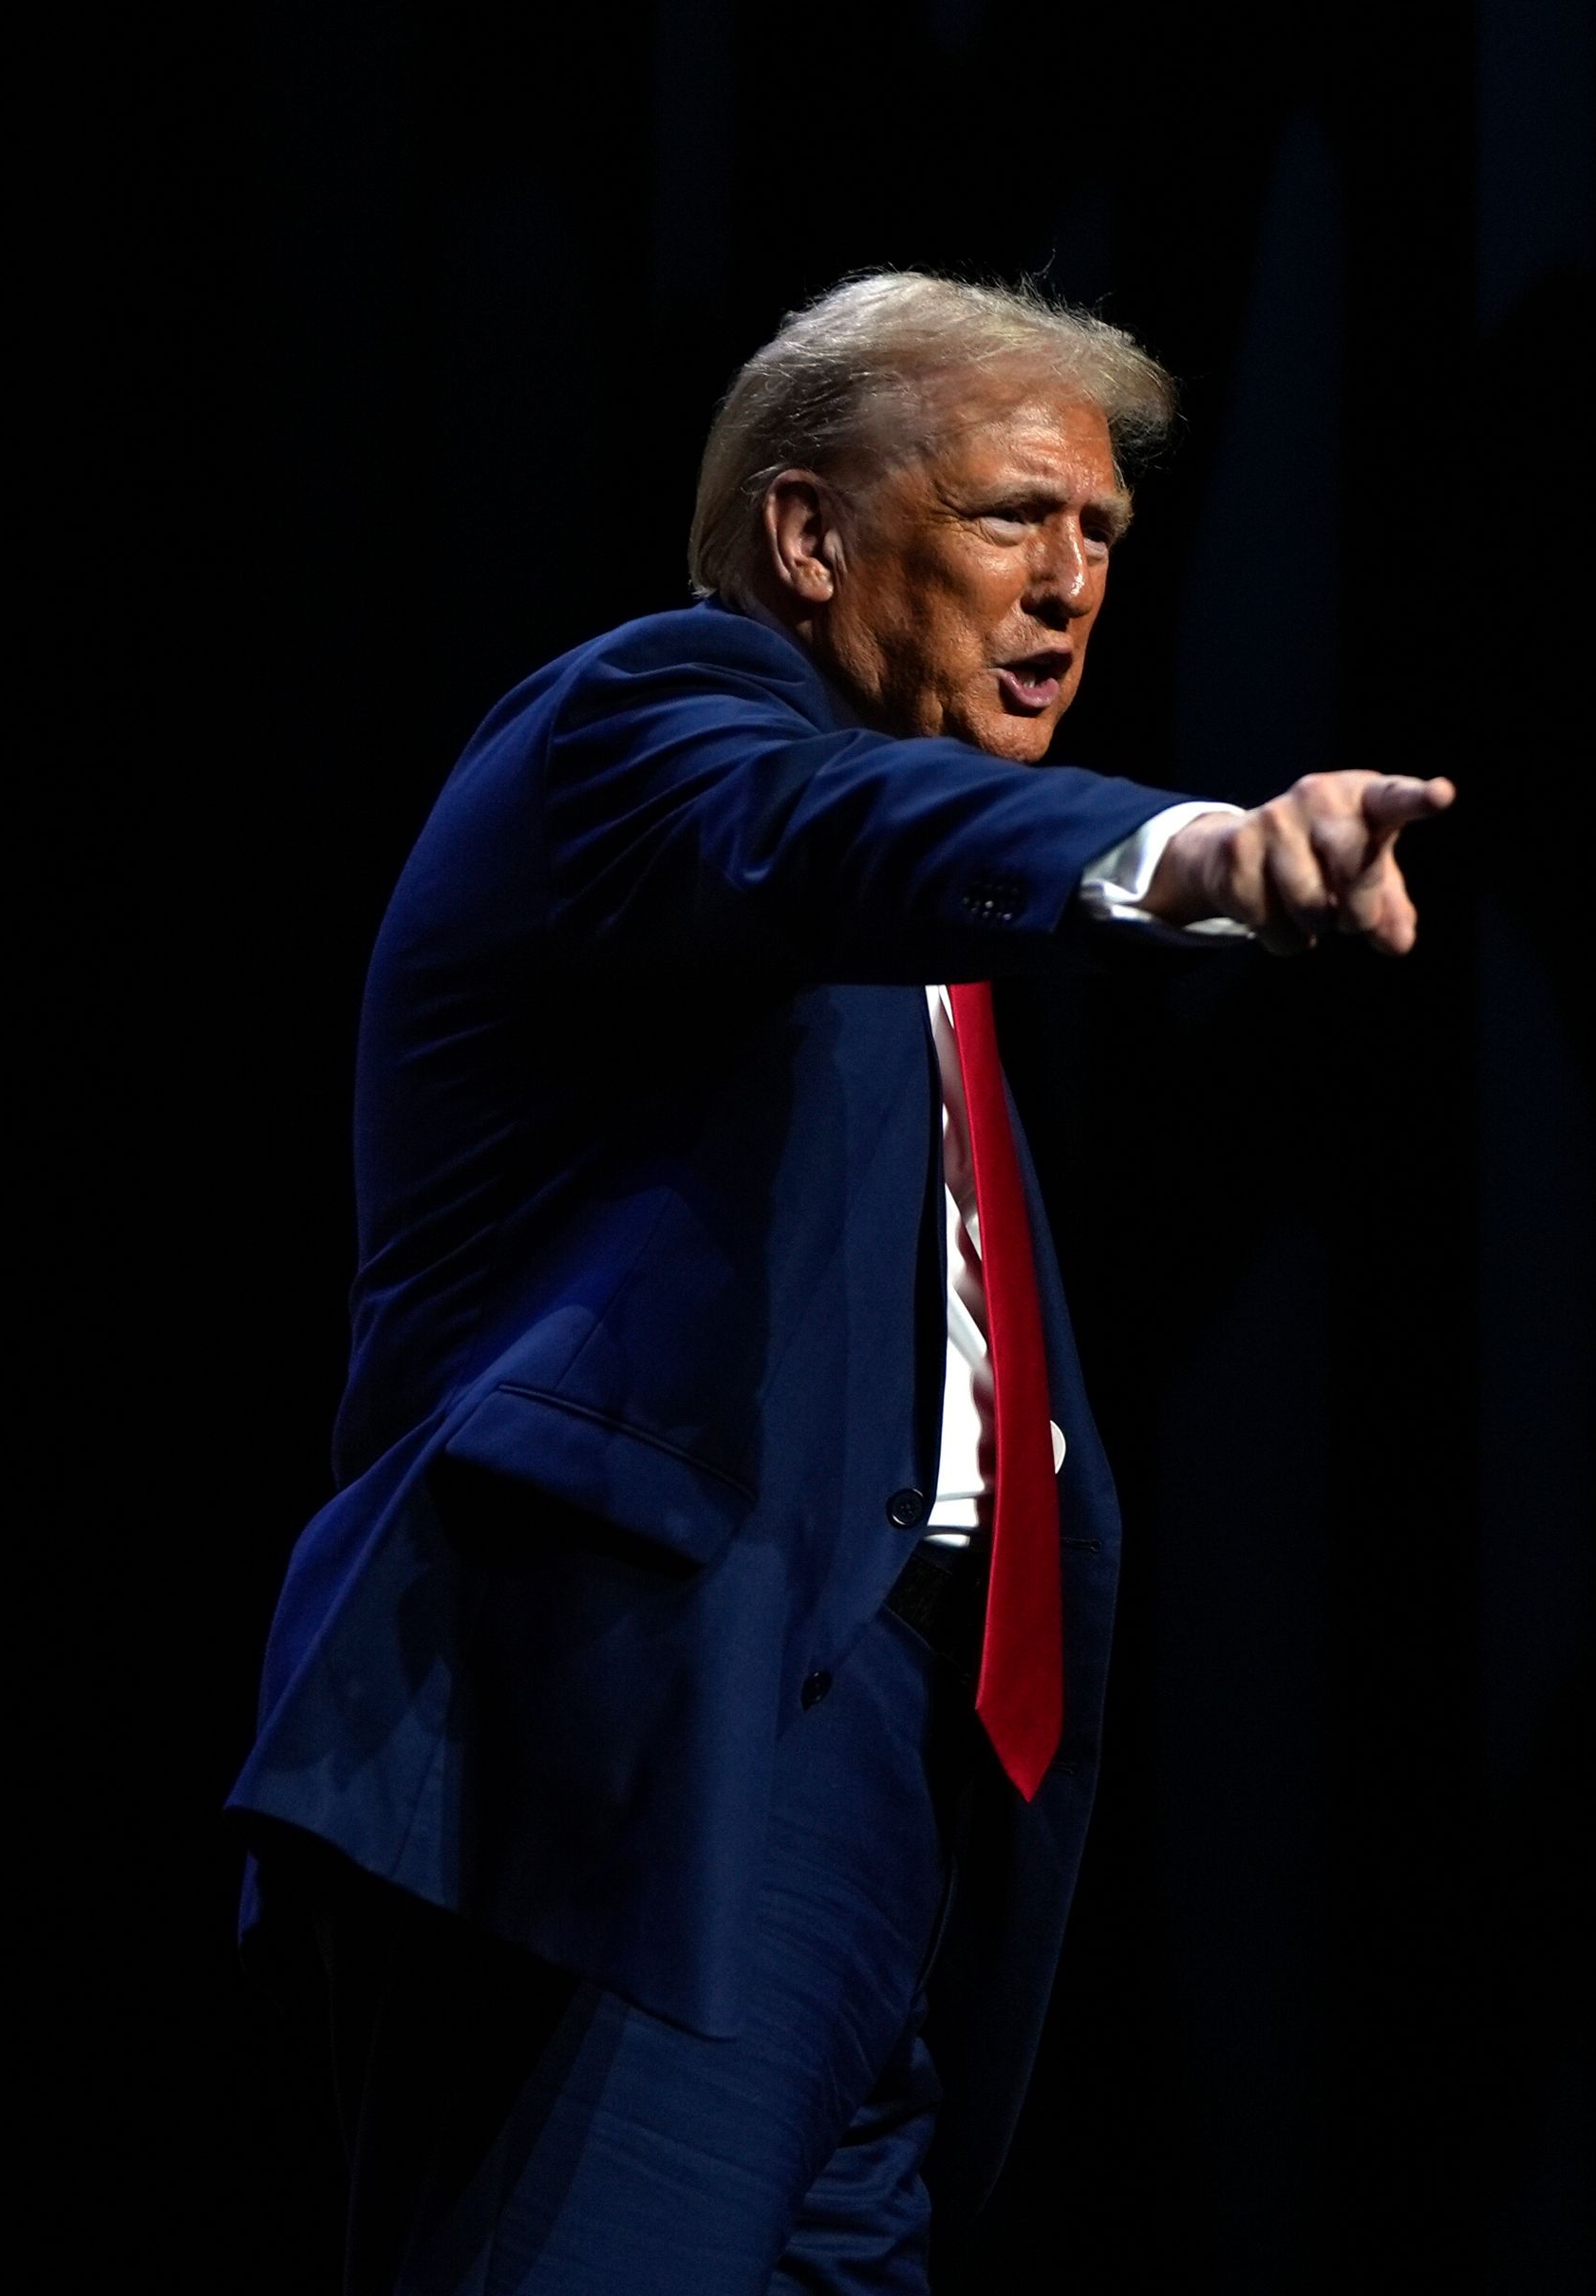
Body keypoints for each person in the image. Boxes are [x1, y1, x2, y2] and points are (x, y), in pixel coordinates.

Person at [229, 271, 1452, 2291]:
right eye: (1009, 517)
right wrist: (1199, 856)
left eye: (1104, 539)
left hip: (909, 1817)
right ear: (808, 533)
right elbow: (830, 819)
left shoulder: (909, 953)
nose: (1073, 582)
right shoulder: (647, 728)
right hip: (672, 1749)